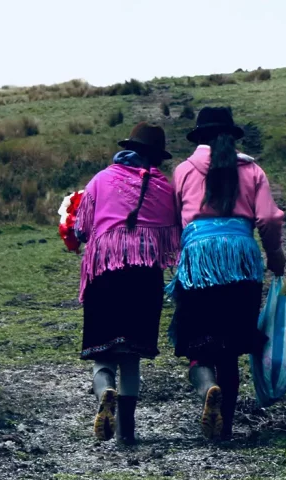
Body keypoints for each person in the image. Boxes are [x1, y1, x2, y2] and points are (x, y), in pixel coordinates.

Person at [168, 106, 285, 441]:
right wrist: (275, 256)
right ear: (231, 136)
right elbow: (270, 219)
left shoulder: (184, 171)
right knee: (231, 348)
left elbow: (174, 220)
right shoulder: (252, 170)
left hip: (201, 261)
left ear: (200, 136)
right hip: (241, 261)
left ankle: (207, 387)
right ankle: (226, 428)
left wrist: (181, 252)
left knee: (200, 344)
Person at [74, 123, 180, 444]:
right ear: (157, 157)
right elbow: (174, 233)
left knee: (103, 353)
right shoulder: (164, 188)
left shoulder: (101, 179)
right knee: (131, 356)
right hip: (144, 278)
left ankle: (104, 390)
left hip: (105, 272)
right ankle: (127, 433)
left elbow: (81, 228)